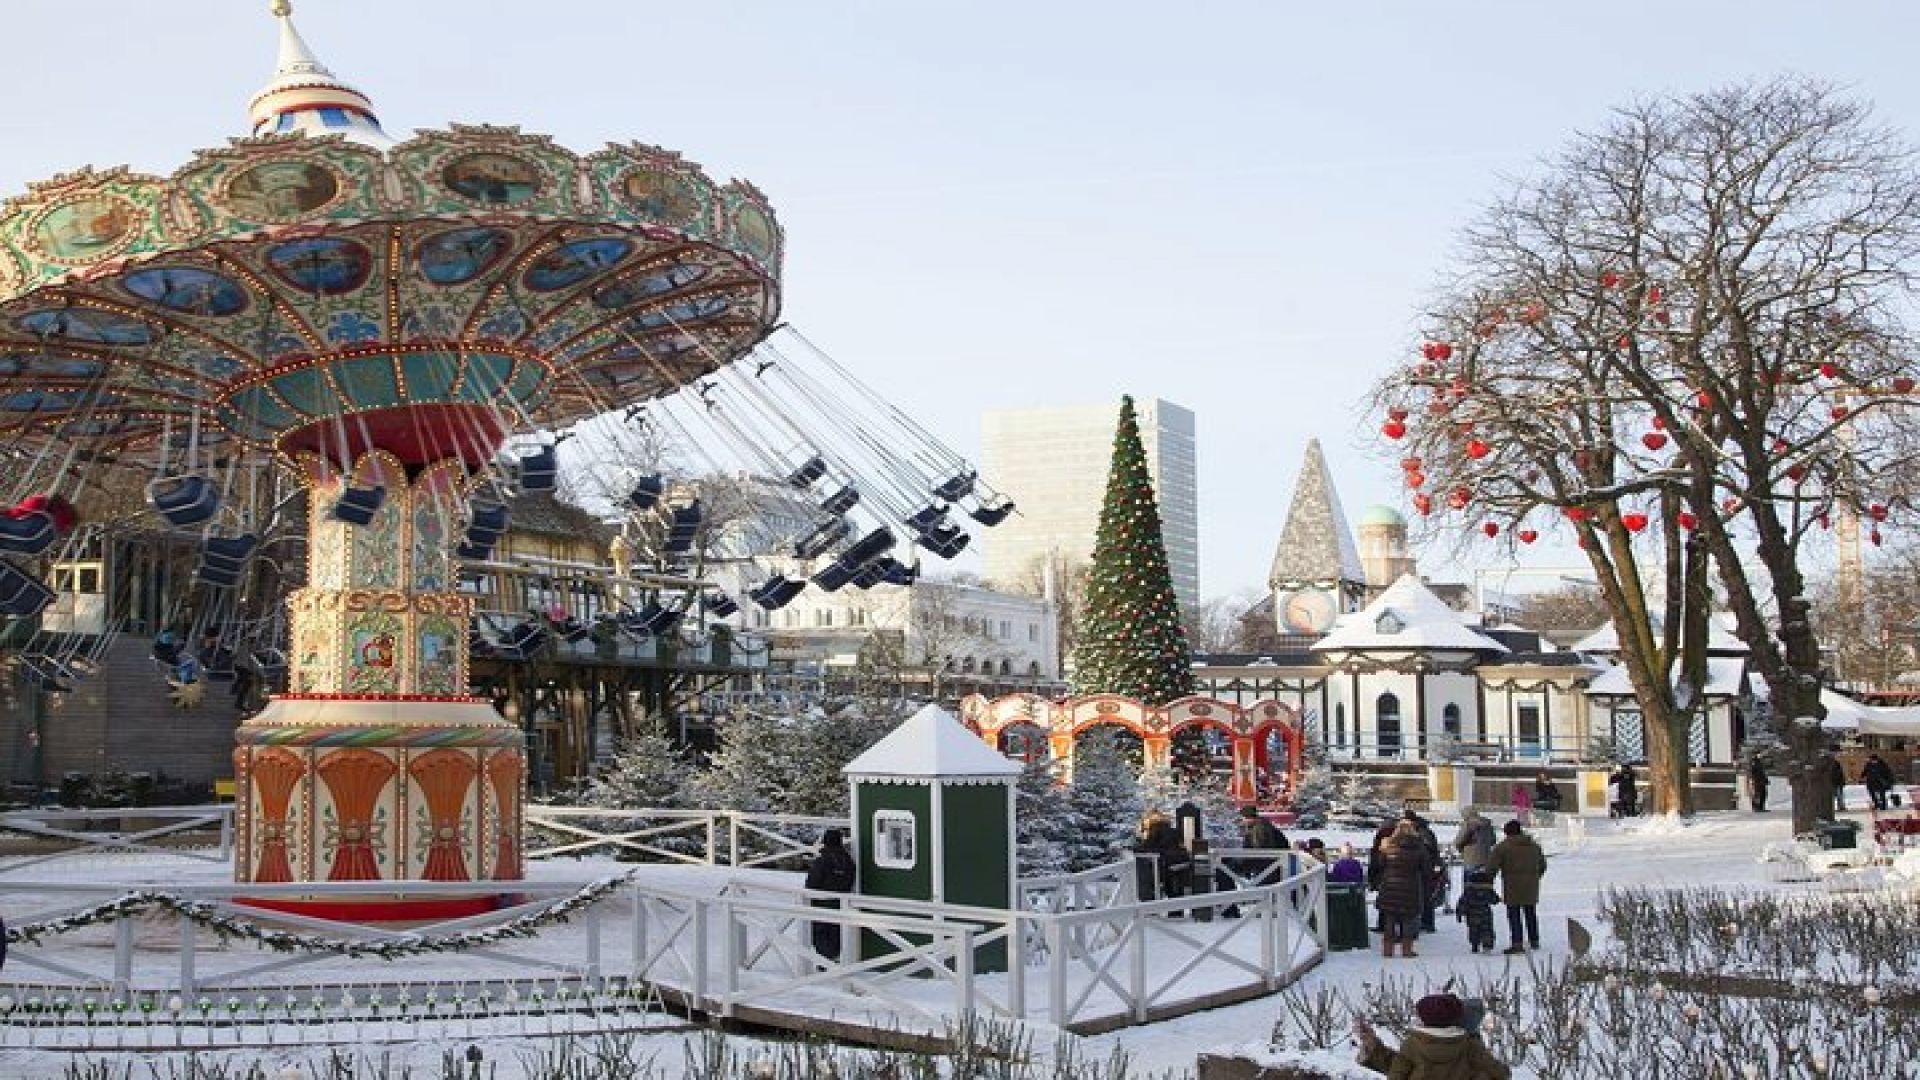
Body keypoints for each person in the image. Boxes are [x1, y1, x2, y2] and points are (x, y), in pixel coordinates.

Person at [1355, 992, 1511, 1079]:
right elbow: (1501, 1074)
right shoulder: (1470, 1047)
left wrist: (1373, 1046)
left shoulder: (1414, 1044)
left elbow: (1398, 1073)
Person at [1369, 820, 1429, 958]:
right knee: (1408, 919)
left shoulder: (1388, 845)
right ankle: (1407, 950)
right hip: (1410, 886)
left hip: (1390, 885)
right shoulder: (1419, 846)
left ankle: (1387, 950)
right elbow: (1425, 868)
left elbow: (1381, 864)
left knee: (1389, 918)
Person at [1488, 820, 1547, 954]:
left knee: (1514, 914)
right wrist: (1534, 877)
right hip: (1531, 884)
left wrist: (1488, 880)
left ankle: (1517, 943)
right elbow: (1542, 865)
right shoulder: (1534, 846)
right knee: (1530, 913)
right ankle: (1534, 940)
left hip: (1511, 884)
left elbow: (1492, 867)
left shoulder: (1502, 847)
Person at [803, 828, 857, 962]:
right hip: (840, 903)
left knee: (820, 932)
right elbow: (849, 881)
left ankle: (825, 961)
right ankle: (833, 958)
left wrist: (810, 895)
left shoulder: (823, 860)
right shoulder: (848, 861)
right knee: (835, 931)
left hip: (821, 902)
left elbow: (812, 882)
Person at [1135, 809, 1190, 900]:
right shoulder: (1174, 831)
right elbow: (1181, 846)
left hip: (1165, 865)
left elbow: (1145, 848)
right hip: (1179, 865)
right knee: (1175, 895)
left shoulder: (1154, 831)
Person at [1455, 866, 1501, 954]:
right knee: (1487, 930)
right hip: (1485, 914)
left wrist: (1459, 913)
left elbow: (1462, 902)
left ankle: (1475, 945)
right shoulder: (1488, 890)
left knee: (1473, 930)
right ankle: (1487, 945)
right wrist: (1497, 899)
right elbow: (1494, 900)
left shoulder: (1469, 891)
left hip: (1472, 914)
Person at [1825, 749, 1848, 814]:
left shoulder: (1836, 763)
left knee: (1839, 795)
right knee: (1833, 796)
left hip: (1837, 782)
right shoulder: (1830, 764)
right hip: (1832, 782)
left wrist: (1842, 781)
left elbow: (1840, 773)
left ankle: (1841, 807)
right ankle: (1837, 807)